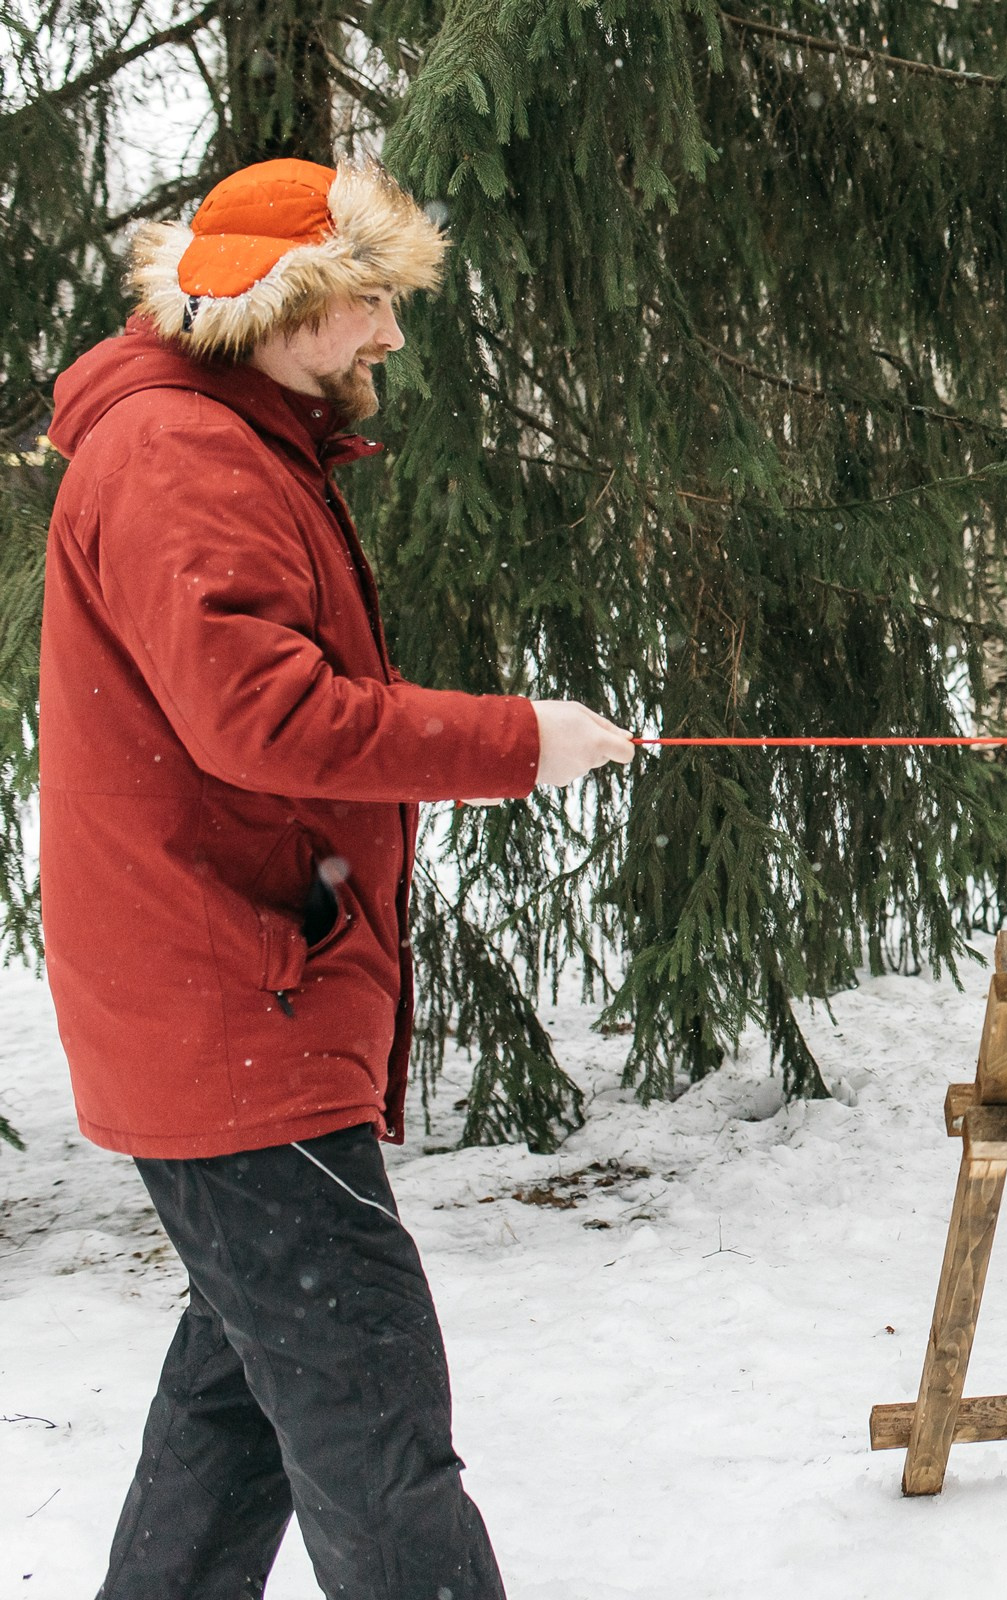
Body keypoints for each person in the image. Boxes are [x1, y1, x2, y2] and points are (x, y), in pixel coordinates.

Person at [41, 156, 634, 1598]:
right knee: (374, 1425)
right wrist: (518, 742)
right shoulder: (181, 453)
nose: (391, 333)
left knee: (241, 1407)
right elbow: (266, 717)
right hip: (229, 1012)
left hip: (241, 1000)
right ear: (291, 302)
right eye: (371, 299)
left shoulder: (227, 439)